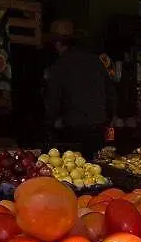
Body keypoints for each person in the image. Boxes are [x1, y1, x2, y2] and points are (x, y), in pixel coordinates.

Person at [44, 19, 115, 157]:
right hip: (98, 128)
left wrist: (48, 126)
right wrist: (106, 120)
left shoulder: (60, 66)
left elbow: (53, 102)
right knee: (95, 171)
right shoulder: (96, 62)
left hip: (73, 131)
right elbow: (111, 95)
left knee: (76, 171)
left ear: (57, 44)